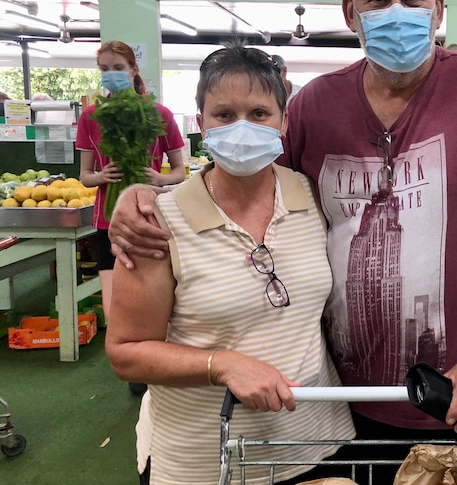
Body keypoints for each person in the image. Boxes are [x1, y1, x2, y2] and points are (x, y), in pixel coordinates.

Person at [109, 0, 457, 446]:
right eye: (378, 0)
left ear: (438, 8)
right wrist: (143, 197)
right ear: (350, 12)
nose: (397, 12)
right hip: (331, 398)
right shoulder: (317, 104)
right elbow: (250, 187)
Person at [104, 45, 354, 485]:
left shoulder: (313, 196)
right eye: (224, 114)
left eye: (259, 113)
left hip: (316, 443)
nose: (242, 127)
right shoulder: (156, 223)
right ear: (200, 123)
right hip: (206, 460)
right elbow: (126, 353)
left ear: (284, 122)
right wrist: (219, 363)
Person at [76, 40, 186, 396]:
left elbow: (180, 172)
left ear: (134, 70)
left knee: (160, 299)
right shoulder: (91, 117)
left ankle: (160, 363)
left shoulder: (159, 115)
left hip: (153, 219)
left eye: (118, 69)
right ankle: (135, 367)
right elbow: (84, 176)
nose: (111, 76)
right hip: (109, 223)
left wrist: (159, 179)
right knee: (116, 305)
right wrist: (102, 177)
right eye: (104, 69)